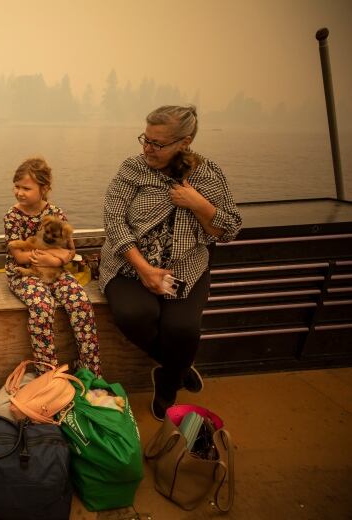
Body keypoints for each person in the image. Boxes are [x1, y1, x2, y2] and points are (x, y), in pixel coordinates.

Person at [99, 105, 242, 421]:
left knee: (183, 328)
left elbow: (229, 228)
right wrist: (144, 269)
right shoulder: (133, 169)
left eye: (158, 143)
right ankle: (180, 366)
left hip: (185, 269)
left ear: (185, 142)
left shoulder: (207, 175)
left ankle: (167, 383)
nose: (148, 148)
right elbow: (113, 218)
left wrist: (200, 204)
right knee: (136, 314)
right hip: (128, 265)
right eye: (145, 139)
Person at [5, 157, 101, 376]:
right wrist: (47, 257)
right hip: (24, 274)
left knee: (81, 302)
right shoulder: (12, 216)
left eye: (26, 188)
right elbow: (19, 256)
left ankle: (90, 371)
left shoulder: (56, 214)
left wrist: (55, 260)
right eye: (16, 186)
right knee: (42, 306)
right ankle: (48, 374)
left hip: (55, 269)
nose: (19, 192)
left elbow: (70, 251)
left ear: (44, 188)